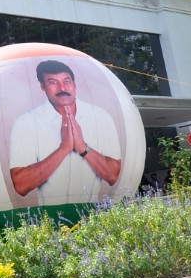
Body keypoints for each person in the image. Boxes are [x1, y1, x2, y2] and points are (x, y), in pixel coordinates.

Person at [9, 59, 122, 202]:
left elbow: (112, 175)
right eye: (53, 82)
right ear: (42, 87)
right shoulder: (25, 123)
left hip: (96, 214)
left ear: (74, 85)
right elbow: (21, 185)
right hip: (48, 218)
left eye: (67, 81)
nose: (62, 88)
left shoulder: (101, 116)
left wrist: (83, 148)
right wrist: (64, 148)